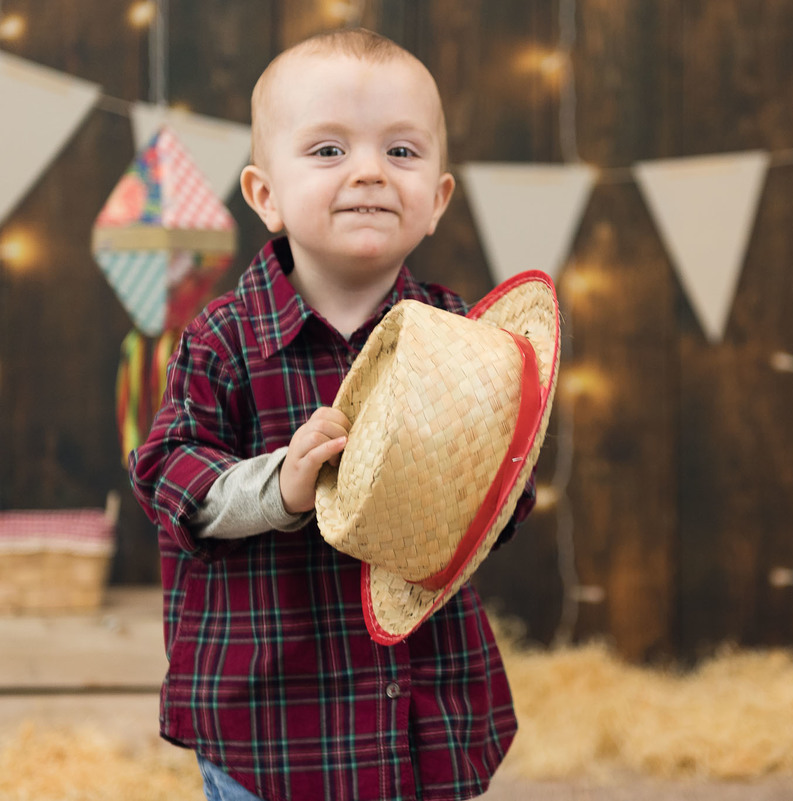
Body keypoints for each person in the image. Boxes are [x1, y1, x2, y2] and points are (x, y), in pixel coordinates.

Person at [130, 28, 533, 801]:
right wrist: (281, 485)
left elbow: (506, 486)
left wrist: (488, 481)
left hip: (422, 712)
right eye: (328, 151)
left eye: (403, 152)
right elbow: (169, 473)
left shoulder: (461, 335)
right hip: (273, 722)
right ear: (264, 195)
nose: (371, 173)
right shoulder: (224, 338)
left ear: (439, 199)